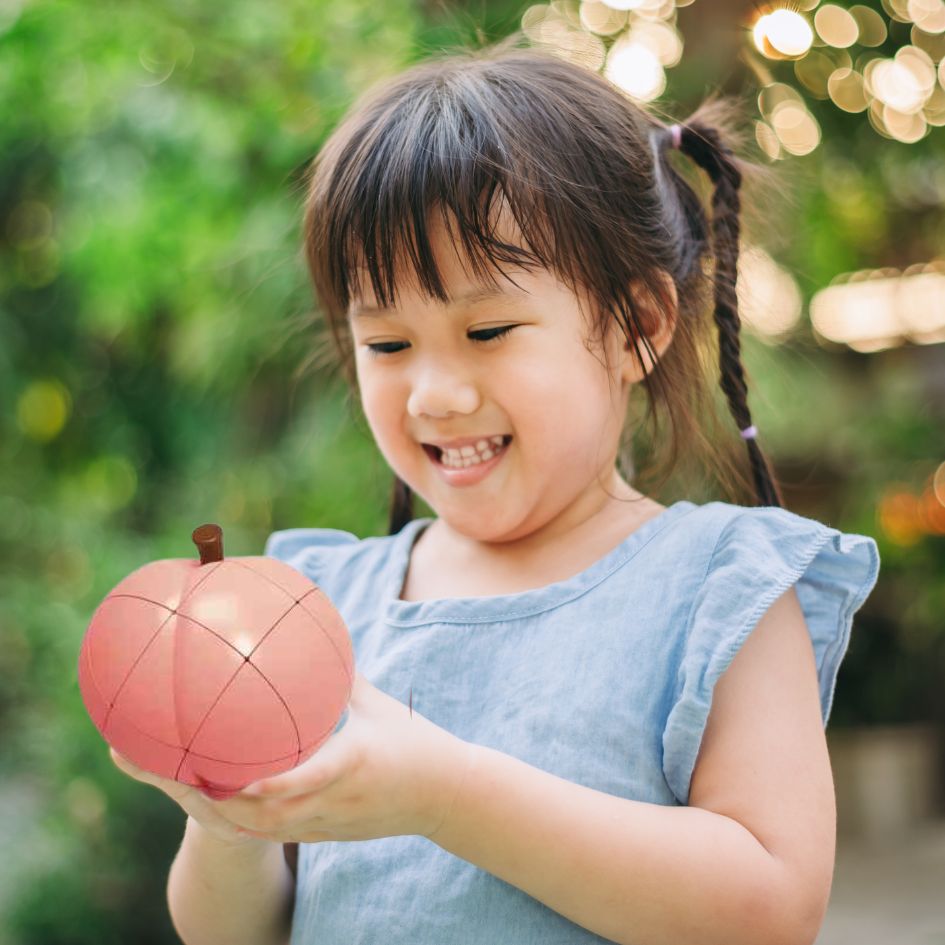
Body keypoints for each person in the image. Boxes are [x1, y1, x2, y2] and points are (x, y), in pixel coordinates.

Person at [111, 32, 880, 945]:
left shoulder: (720, 590)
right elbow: (233, 933)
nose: (433, 394)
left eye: (487, 331)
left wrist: (443, 794)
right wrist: (227, 820)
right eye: (387, 344)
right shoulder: (319, 607)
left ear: (638, 324)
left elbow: (769, 909)